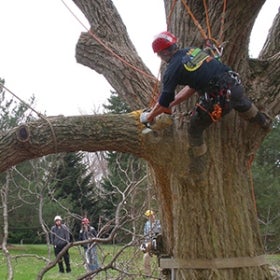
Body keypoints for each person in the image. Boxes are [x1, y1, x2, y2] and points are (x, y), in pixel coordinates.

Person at [140, 31, 271, 172]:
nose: (160, 57)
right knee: (241, 102)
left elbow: (164, 101)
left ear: (164, 52)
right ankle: (263, 121)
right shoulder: (192, 51)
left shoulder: (172, 70)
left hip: (219, 100)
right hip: (234, 85)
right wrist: (172, 103)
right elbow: (192, 87)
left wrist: (149, 116)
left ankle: (199, 163)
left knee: (194, 129)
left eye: (159, 54)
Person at [141, 210, 161, 278]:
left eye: (152, 215)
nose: (151, 217)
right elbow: (145, 234)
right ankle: (147, 274)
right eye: (149, 216)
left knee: (161, 259)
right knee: (146, 257)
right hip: (149, 243)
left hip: (158, 243)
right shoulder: (146, 224)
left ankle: (162, 275)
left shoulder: (159, 223)